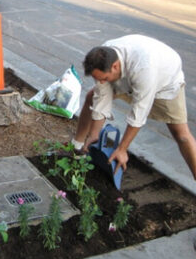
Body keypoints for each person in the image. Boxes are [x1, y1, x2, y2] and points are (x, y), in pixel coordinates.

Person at [71, 35, 196, 180]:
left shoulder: (145, 69)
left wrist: (122, 149)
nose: (101, 82)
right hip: (126, 78)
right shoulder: (104, 56)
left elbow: (139, 113)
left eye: (103, 78)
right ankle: (77, 147)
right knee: (91, 97)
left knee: (181, 135)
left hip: (165, 84)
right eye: (97, 78)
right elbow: (101, 97)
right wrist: (94, 133)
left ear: (115, 66)